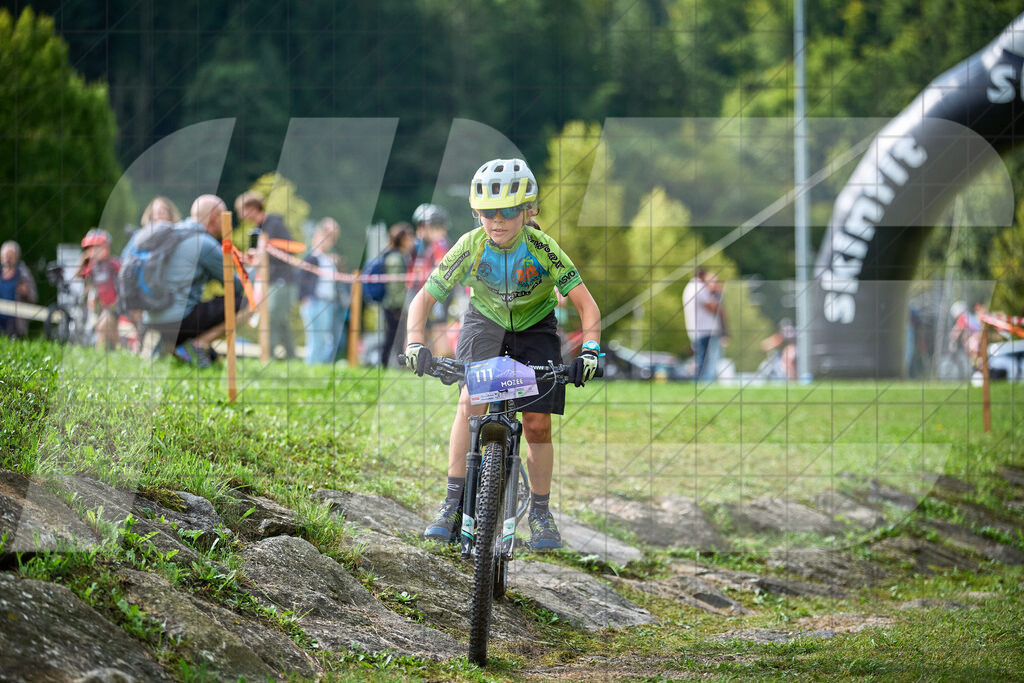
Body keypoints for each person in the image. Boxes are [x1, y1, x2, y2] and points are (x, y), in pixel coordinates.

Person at [404, 157, 602, 551]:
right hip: (485, 323)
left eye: (509, 211)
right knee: (471, 401)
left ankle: (541, 513)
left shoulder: (543, 248)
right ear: (478, 213)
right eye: (489, 212)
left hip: (536, 327)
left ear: (528, 211)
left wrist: (592, 351)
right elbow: (422, 301)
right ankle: (452, 504)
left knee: (537, 423)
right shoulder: (470, 246)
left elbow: (588, 307)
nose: (498, 221)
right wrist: (414, 342)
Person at [122, 194, 244, 367]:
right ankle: (199, 343)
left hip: (150, 320)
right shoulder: (205, 243)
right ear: (215, 218)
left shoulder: (171, 233)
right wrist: (254, 269)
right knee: (245, 303)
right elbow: (237, 286)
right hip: (179, 323)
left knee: (212, 360)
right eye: (224, 217)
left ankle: (173, 348)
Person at [236, 191, 298, 360]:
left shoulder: (274, 225)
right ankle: (291, 356)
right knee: (280, 320)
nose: (240, 214)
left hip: (282, 280)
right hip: (270, 279)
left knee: (272, 318)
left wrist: (262, 255)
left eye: (242, 210)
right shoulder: (260, 229)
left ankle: (267, 356)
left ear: (252, 208)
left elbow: (286, 252)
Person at [299, 218, 350, 365]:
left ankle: (319, 367)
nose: (331, 241)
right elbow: (301, 280)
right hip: (314, 302)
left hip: (328, 303)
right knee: (315, 340)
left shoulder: (329, 259)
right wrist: (305, 298)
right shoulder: (312, 257)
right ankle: (311, 368)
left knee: (325, 341)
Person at [77, 229, 121, 351]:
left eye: (97, 247)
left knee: (103, 325)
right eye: (90, 248)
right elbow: (80, 276)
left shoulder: (114, 264)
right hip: (99, 308)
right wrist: (84, 258)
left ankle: (116, 350)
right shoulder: (92, 267)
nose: (93, 251)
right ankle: (106, 352)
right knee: (101, 327)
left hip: (116, 307)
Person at [380, 222, 415, 367]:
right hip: (395, 306)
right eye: (410, 237)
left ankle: (391, 365)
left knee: (396, 338)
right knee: (392, 338)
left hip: (397, 305)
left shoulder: (402, 256)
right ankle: (384, 364)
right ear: (403, 239)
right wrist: (399, 307)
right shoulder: (395, 258)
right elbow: (394, 287)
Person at [682, 268, 724, 381]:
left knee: (700, 358)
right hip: (705, 330)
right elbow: (712, 307)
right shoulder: (698, 287)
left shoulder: (688, 288)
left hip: (695, 329)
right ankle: (702, 381)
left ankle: (699, 380)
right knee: (706, 360)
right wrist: (717, 294)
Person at [0, 240, 37, 338]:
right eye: (5, 255)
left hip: (16, 322)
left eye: (10, 256)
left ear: (17, 257)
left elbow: (34, 297)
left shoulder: (23, 273)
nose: (7, 259)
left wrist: (26, 292)